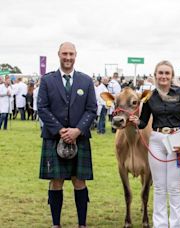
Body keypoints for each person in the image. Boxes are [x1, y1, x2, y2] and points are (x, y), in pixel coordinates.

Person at [38, 42, 97, 228]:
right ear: (59, 55)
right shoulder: (47, 80)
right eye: (65, 54)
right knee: (56, 182)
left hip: (80, 138)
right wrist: (60, 130)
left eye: (71, 54)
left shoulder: (86, 81)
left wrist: (77, 130)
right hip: (54, 137)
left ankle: (82, 224)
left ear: (76, 55)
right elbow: (42, 107)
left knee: (79, 181)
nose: (68, 57)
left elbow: (91, 109)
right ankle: (56, 224)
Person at [130, 60, 180, 228]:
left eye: (167, 73)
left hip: (176, 140)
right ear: (155, 75)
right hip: (157, 139)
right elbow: (144, 122)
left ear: (172, 75)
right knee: (158, 187)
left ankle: (176, 225)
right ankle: (160, 225)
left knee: (174, 187)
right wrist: (137, 120)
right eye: (161, 73)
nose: (163, 76)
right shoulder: (150, 96)